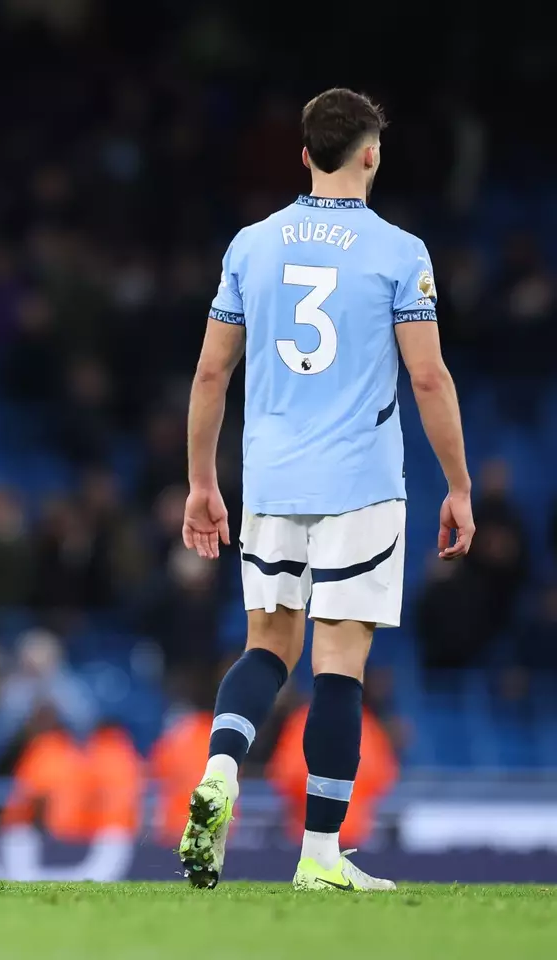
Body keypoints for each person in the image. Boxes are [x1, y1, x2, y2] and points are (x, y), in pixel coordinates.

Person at [178, 88, 473, 892]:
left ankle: (220, 769)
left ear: (303, 153)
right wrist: (458, 486)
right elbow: (428, 375)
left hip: (272, 480)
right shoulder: (399, 251)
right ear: (371, 153)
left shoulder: (252, 244)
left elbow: (211, 372)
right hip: (362, 484)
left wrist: (204, 481)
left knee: (268, 645)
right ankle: (317, 856)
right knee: (339, 665)